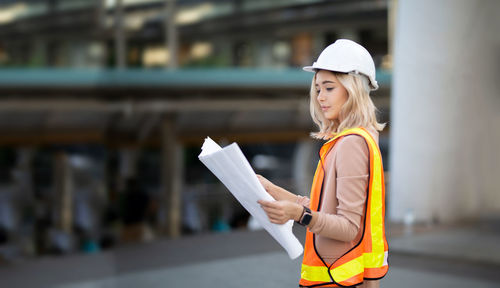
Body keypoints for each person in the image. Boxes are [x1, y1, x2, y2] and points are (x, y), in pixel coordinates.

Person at [258, 39, 388, 288]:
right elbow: (325, 211)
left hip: (337, 280)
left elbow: (350, 228)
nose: (320, 97)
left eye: (329, 88)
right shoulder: (354, 139)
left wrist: (299, 215)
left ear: (353, 88)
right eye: (318, 89)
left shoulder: (352, 144)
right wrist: (272, 190)